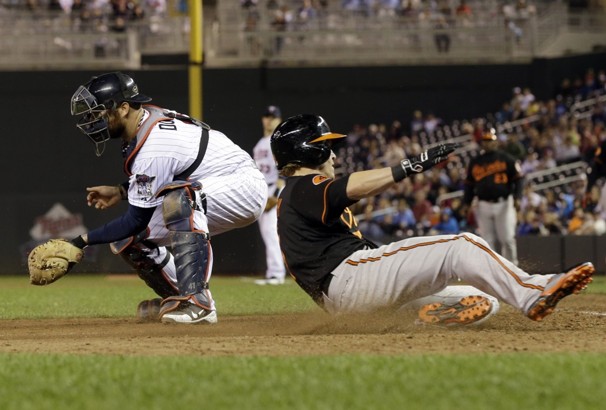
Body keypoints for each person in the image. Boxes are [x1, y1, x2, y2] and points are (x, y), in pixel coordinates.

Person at [270, 114, 594, 326]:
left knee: (483, 302)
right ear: (308, 150)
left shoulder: (297, 195)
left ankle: (408, 321)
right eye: (325, 146)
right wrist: (407, 167)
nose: (334, 154)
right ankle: (534, 291)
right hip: (351, 278)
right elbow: (350, 187)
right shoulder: (303, 185)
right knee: (462, 245)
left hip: (346, 299)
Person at [68, 72, 267, 324]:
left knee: (181, 200)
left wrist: (81, 241)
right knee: (128, 241)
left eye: (98, 113)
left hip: (243, 186)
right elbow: (162, 177)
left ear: (124, 108)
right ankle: (179, 300)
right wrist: (120, 191)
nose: (93, 120)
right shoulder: (145, 119)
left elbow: (136, 219)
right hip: (215, 184)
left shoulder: (154, 145)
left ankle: (198, 302)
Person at [463, 128, 523, 265]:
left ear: (496, 142)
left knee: (507, 239)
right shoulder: (475, 162)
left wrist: (518, 197)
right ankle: (493, 270)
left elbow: (519, 179)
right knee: (487, 241)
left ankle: (512, 269)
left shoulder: (506, 158)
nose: (488, 143)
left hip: (504, 203)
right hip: (483, 205)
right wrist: (466, 203)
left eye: (490, 140)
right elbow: (469, 185)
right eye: (485, 141)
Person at [252, 105, 287, 285]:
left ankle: (276, 273)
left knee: (271, 231)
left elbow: (284, 167)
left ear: (279, 120)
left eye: (273, 117)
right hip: (263, 189)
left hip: (275, 188)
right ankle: (273, 271)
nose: (269, 120)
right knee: (267, 232)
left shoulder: (278, 141)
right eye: (267, 116)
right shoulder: (259, 144)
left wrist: (274, 193)